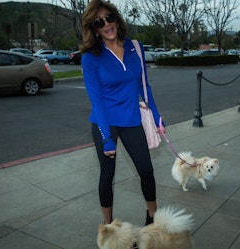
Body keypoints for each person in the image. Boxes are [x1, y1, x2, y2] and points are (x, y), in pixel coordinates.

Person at [80, 0, 165, 226]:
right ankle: (109, 228)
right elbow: (96, 101)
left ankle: (152, 218)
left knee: (146, 170)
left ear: (116, 18)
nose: (106, 24)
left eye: (109, 18)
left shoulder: (135, 47)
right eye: (99, 22)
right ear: (94, 28)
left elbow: (144, 86)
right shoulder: (90, 58)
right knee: (107, 175)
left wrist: (156, 116)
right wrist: (107, 137)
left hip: (131, 120)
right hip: (104, 123)